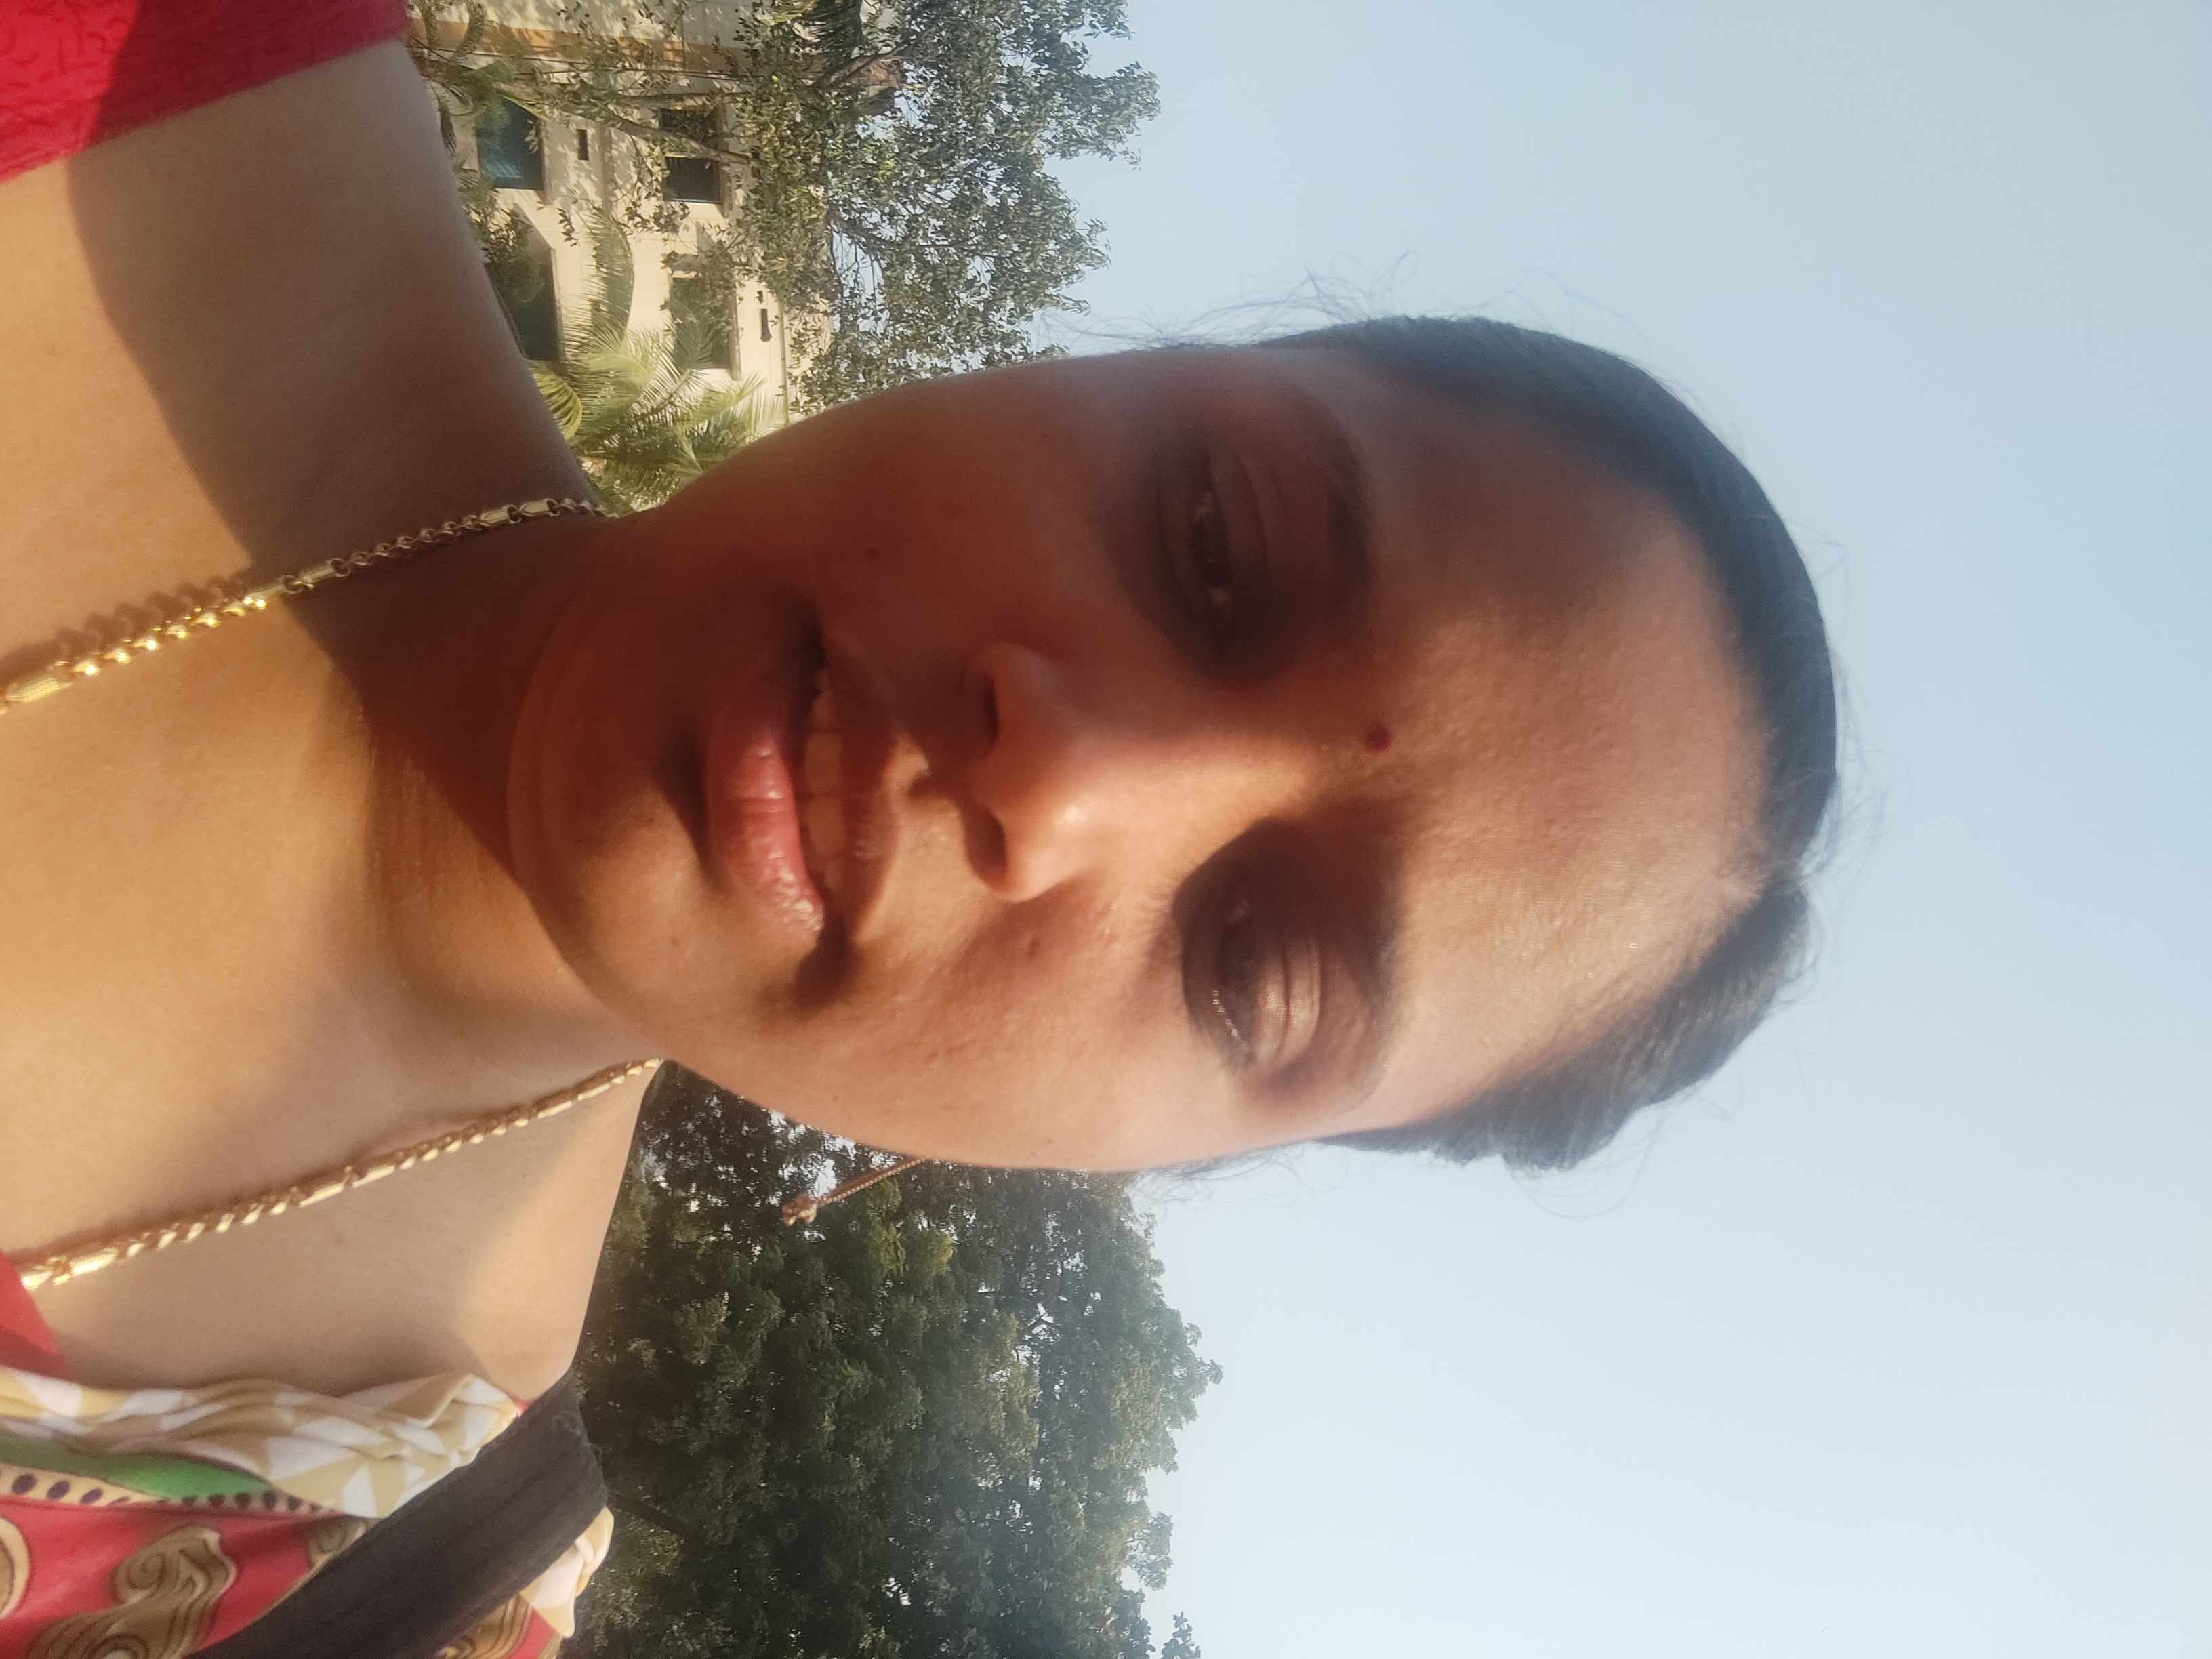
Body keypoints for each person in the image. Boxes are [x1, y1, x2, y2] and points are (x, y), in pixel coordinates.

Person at [0, 0, 1838, 1651]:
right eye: (1215, 542)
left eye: (1254, 964)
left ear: (1160, 1162)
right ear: (1104, 368)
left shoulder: (360, 1589)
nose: (1062, 778)